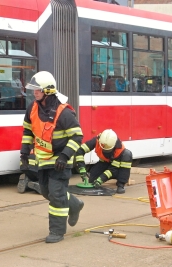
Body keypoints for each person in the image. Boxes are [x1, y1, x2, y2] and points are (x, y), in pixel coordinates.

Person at [20, 71, 84, 243]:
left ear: (48, 91)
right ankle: (75, 204)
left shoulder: (63, 113)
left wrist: (64, 157)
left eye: (38, 89)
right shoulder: (32, 109)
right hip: (43, 161)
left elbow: (77, 136)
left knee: (56, 195)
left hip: (60, 162)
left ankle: (57, 232)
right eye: (33, 89)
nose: (35, 93)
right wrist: (24, 153)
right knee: (48, 192)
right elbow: (28, 131)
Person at [75, 129, 132, 194]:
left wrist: (101, 179)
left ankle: (121, 185)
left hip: (117, 168)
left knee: (127, 154)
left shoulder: (119, 149)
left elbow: (113, 169)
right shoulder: (97, 140)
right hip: (105, 163)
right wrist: (81, 168)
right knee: (92, 180)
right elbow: (80, 151)